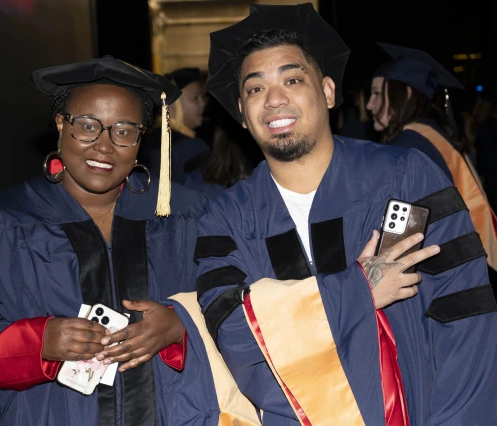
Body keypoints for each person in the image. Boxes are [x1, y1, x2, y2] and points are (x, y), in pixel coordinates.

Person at [161, 3, 497, 425]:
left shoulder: (403, 182)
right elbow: (236, 336)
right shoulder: (225, 221)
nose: (275, 99)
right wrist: (358, 289)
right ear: (243, 116)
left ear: (328, 92)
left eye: (293, 79)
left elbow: (463, 317)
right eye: (255, 89)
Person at [0, 57, 209, 426]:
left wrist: (182, 325)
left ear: (142, 138)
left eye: (124, 130)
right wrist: (36, 342)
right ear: (61, 125)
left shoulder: (189, 218)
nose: (104, 147)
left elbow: (243, 308)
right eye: (87, 126)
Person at [367, 42, 497, 277]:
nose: (369, 105)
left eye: (377, 93)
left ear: (404, 94)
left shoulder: (408, 149)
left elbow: (399, 245)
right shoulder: (433, 136)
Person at [141, 67, 211, 185]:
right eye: (195, 98)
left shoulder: (146, 141)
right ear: (173, 105)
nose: (202, 103)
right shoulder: (192, 147)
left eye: (202, 97)